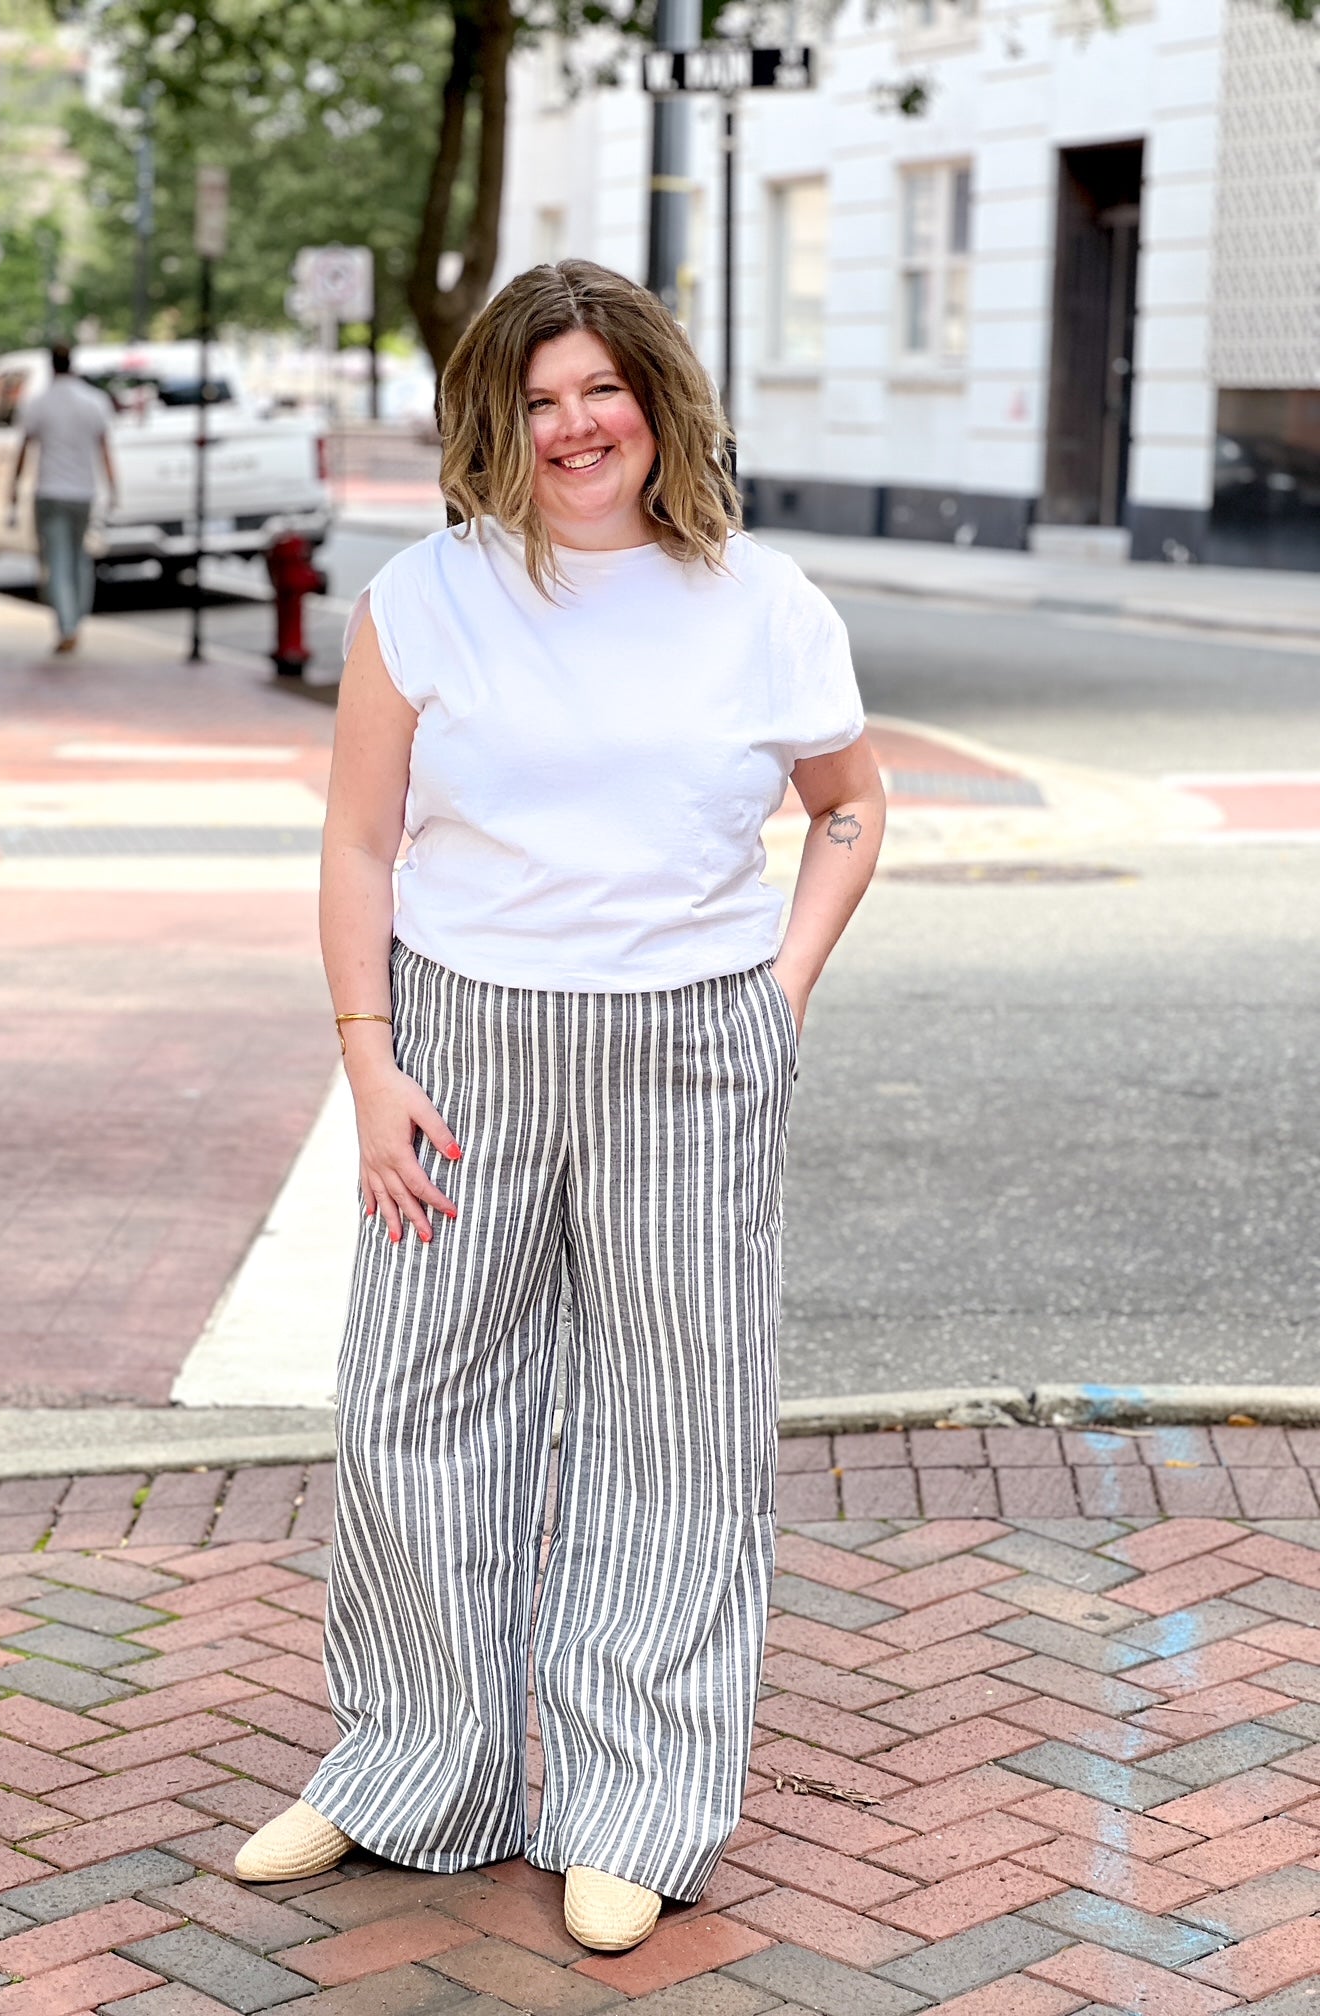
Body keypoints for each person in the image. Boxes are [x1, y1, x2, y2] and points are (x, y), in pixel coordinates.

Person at [233, 260, 886, 1951]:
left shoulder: (761, 600)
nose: (574, 424)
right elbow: (360, 842)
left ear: (658, 399)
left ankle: (634, 1801)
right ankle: (411, 1768)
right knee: (412, 1402)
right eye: (537, 400)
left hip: (689, 1044)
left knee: (674, 1427)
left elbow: (849, 812)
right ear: (494, 426)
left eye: (601, 389)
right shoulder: (427, 596)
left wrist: (777, 997)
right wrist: (370, 1058)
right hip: (460, 1042)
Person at [10, 342, 116, 654]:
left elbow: (24, 448)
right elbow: (105, 450)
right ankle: (76, 618)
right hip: (83, 491)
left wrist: (13, 490)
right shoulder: (93, 401)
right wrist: (113, 489)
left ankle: (67, 624)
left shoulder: (39, 402)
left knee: (56, 560)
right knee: (78, 557)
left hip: (50, 490)